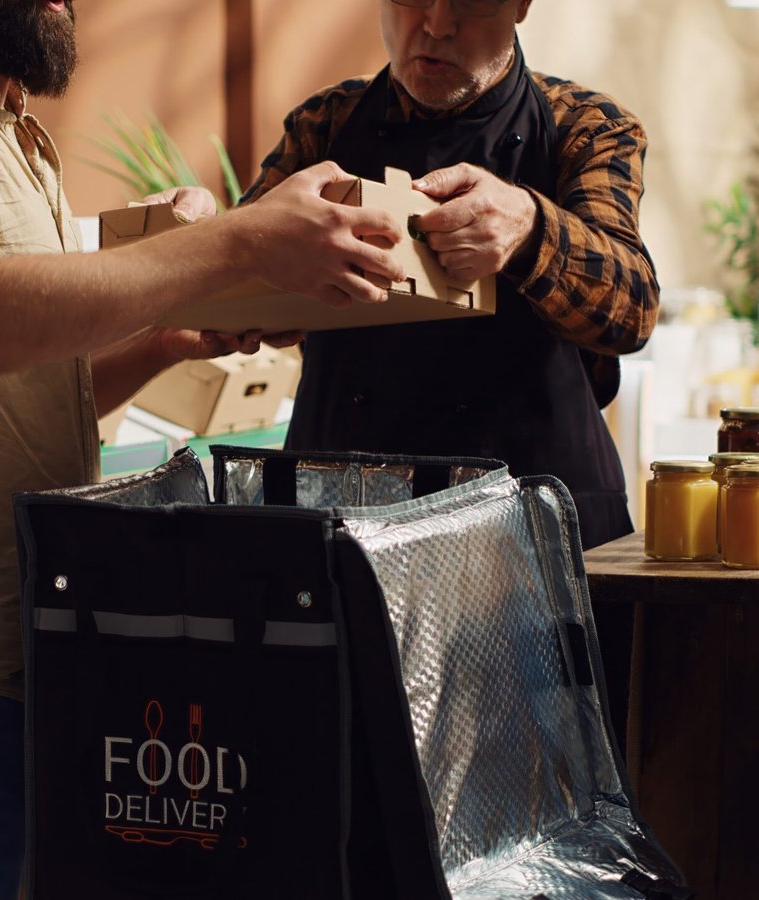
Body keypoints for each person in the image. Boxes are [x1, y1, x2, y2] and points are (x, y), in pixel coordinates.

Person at [0, 0, 406, 896]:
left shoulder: (2, 126)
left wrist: (164, 342)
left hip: (14, 642)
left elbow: (17, 388)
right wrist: (236, 242)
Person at [243, 0, 658, 739]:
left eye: (466, 3)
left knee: (556, 786)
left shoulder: (584, 126)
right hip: (349, 536)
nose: (434, 25)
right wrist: (215, 248)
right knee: (344, 781)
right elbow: (235, 294)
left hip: (526, 544)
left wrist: (530, 228)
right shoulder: (325, 128)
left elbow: (631, 306)